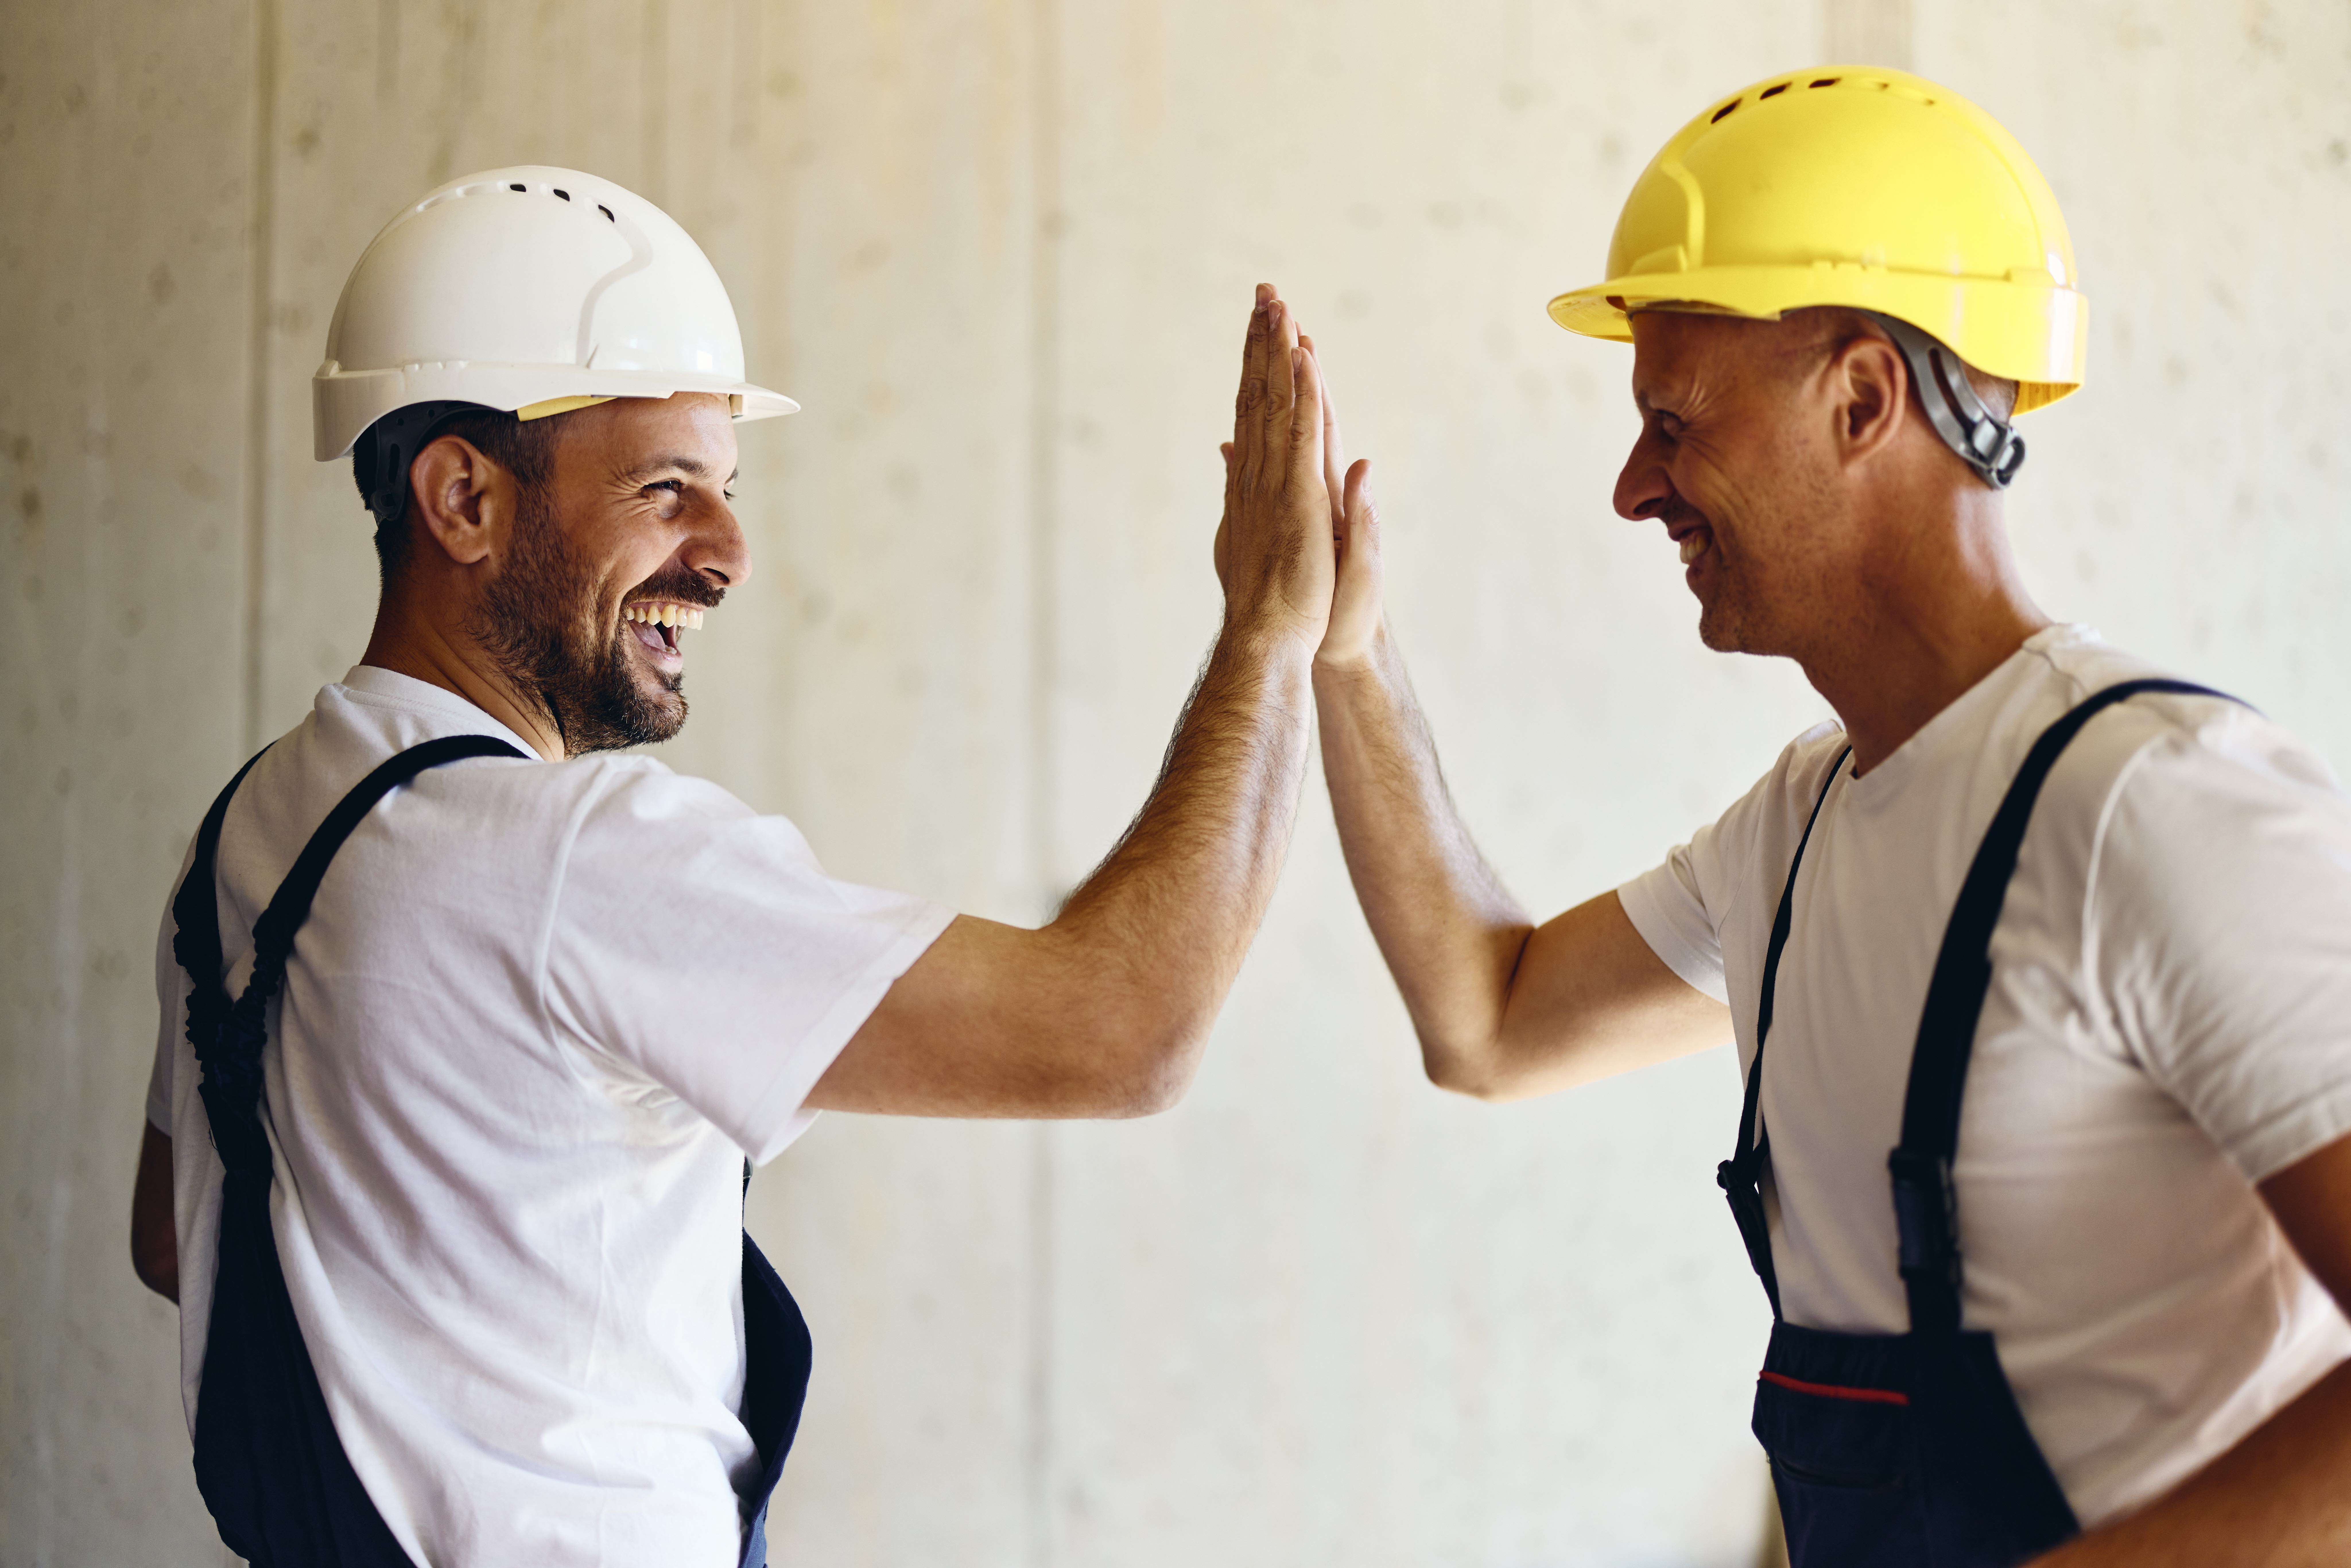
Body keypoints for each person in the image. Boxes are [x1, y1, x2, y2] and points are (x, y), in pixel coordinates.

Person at [128, 164, 1343, 1567]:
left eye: (724, 488)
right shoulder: (579, 860)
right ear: (461, 497)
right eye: (664, 492)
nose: (727, 555)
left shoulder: (248, 828)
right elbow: (1127, 1028)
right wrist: (1268, 630)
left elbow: (186, 1240)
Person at [1308, 68, 2351, 1566]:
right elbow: (1491, 1017)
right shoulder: (1793, 832)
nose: (1633, 488)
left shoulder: (2158, 811)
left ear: (1862, 397)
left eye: (1672, 419)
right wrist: (1346, 653)